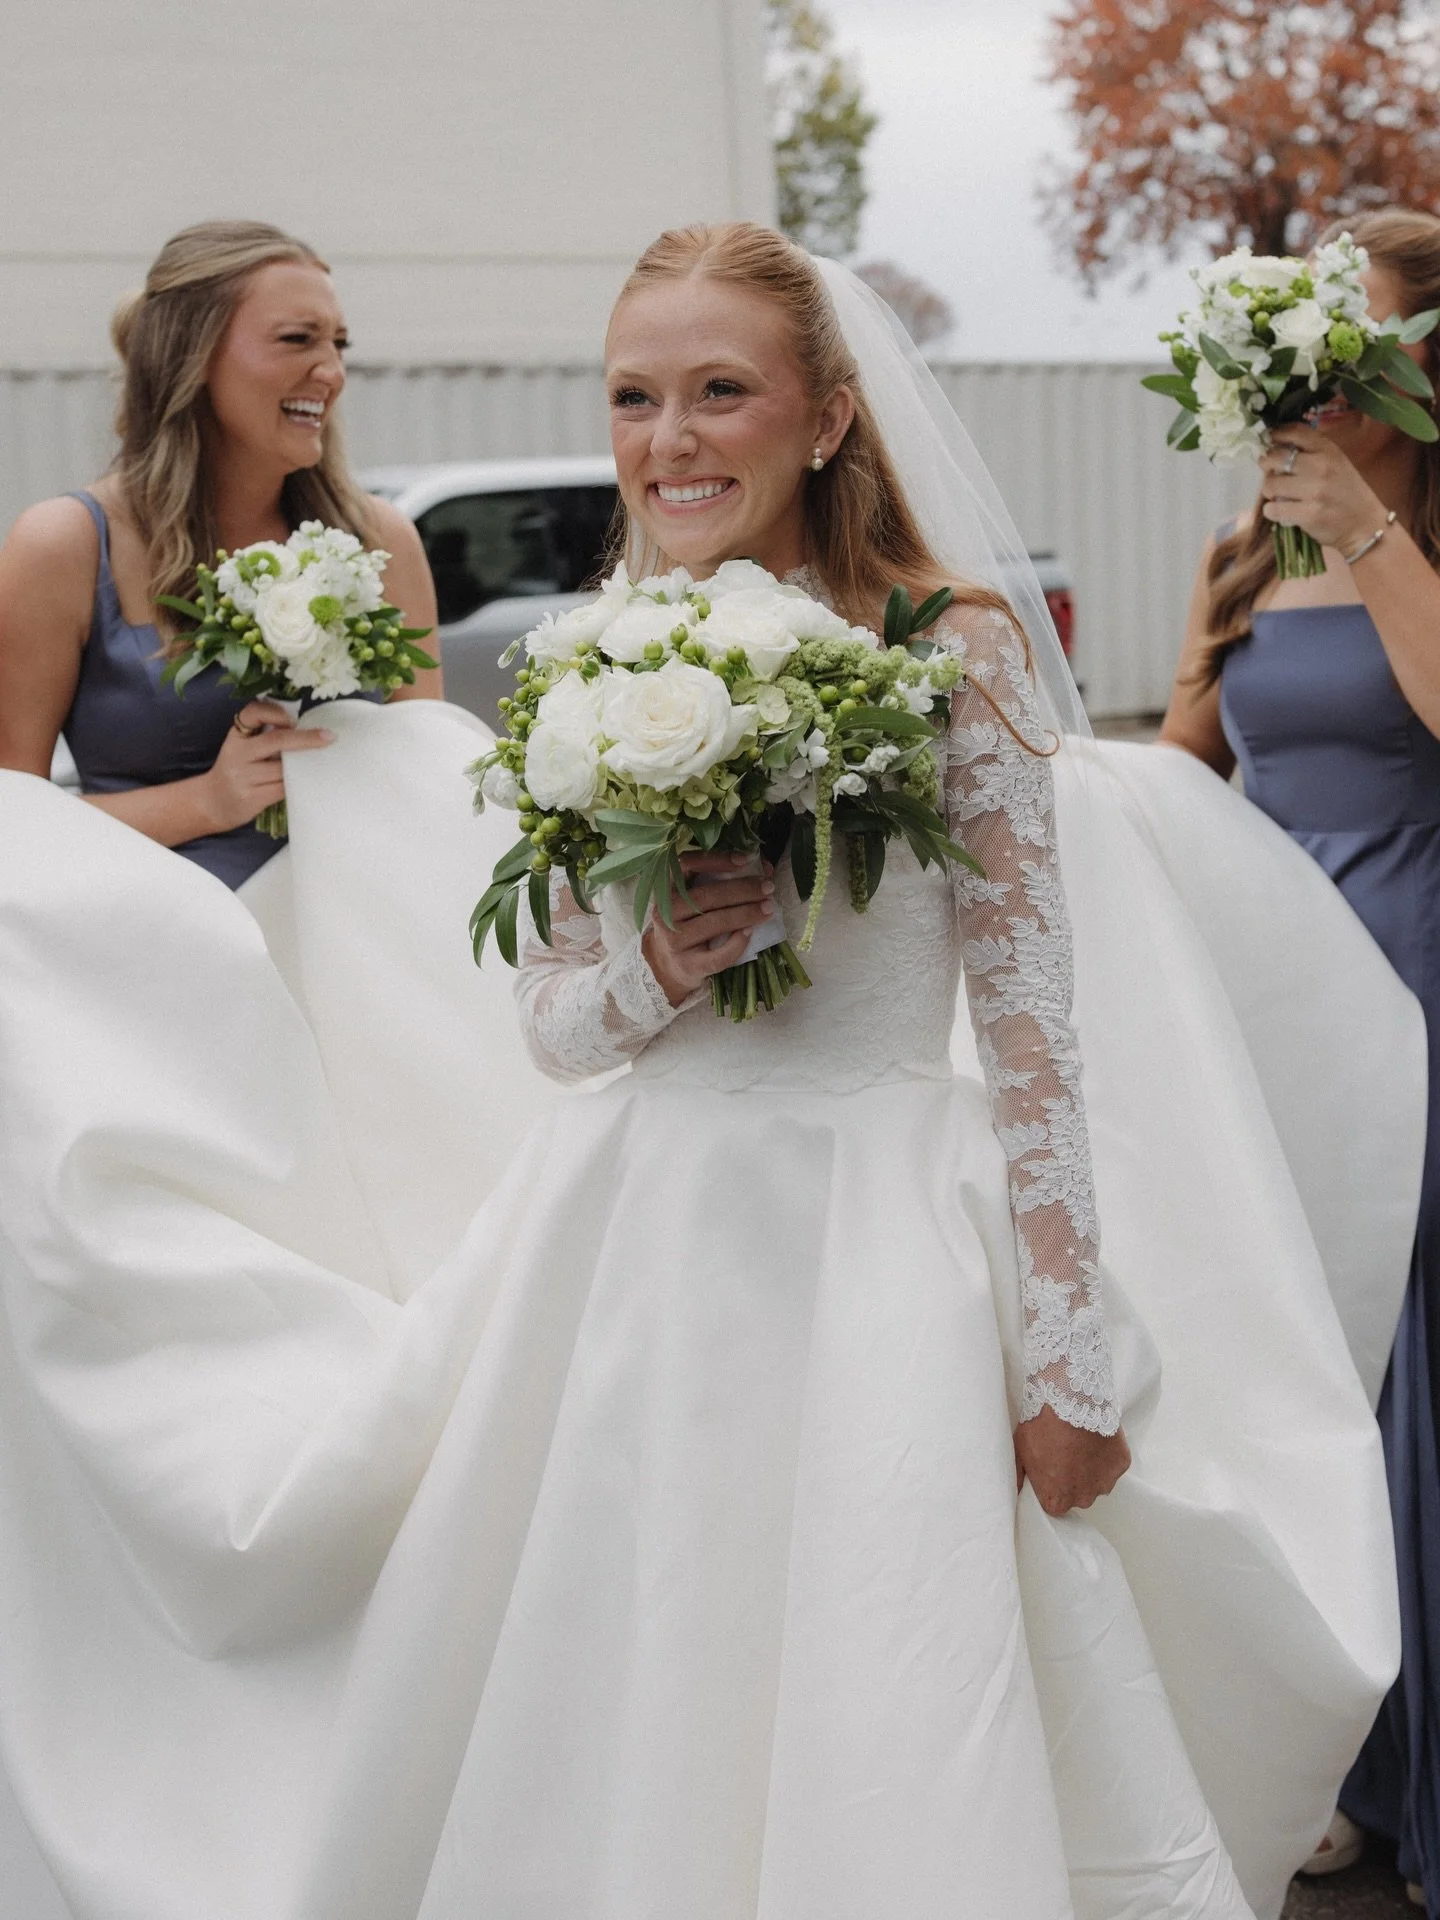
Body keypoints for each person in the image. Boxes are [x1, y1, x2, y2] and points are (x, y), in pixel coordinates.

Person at [0, 223, 1420, 1920]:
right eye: (635, 397)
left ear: (824, 415)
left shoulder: (947, 639)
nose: (668, 440)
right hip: (643, 1249)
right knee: (642, 1675)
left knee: (896, 1670)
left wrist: (1062, 1356)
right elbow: (551, 1026)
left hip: (891, 1235)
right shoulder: (596, 657)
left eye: (719, 393)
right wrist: (657, 965)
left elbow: (1032, 1016)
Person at [1160, 206, 1440, 1915]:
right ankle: (1335, 1752)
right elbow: (1192, 765)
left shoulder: (1407, 526)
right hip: (1278, 996)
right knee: (1306, 1365)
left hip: (1419, 977)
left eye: (1358, 345)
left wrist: (1380, 531)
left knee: (1414, 1380)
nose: (1315, 384)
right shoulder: (1253, 547)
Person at [0, 219, 441, 890]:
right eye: (298, 339)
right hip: (158, 947)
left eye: (339, 344)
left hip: (362, 936)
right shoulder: (65, 545)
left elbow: (429, 780)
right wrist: (205, 802)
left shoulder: (379, 541)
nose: (332, 372)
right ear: (191, 357)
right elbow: (13, 821)